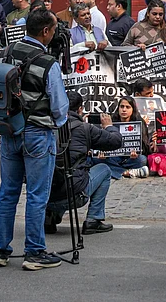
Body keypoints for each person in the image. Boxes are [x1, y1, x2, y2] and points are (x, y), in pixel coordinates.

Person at [0, 8, 69, 271]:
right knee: (37, 195)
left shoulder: (8, 52)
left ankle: (0, 250)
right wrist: (55, 125)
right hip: (37, 132)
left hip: (10, 129)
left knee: (8, 192)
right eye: (54, 28)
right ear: (45, 31)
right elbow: (59, 107)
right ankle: (34, 252)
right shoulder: (49, 63)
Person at [46, 91, 123, 236]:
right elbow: (116, 141)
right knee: (104, 169)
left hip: (44, 197)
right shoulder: (84, 128)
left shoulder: (46, 126)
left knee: (58, 171)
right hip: (75, 195)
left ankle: (48, 218)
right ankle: (94, 219)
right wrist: (108, 126)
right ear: (80, 109)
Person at [97, 96, 150, 179]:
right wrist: (104, 154)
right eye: (122, 107)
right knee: (95, 159)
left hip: (130, 159)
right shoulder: (110, 122)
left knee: (142, 160)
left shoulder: (139, 122)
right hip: (114, 157)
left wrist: (136, 153)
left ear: (133, 109)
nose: (124, 110)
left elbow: (144, 146)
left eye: (127, 107)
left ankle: (115, 171)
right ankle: (126, 172)